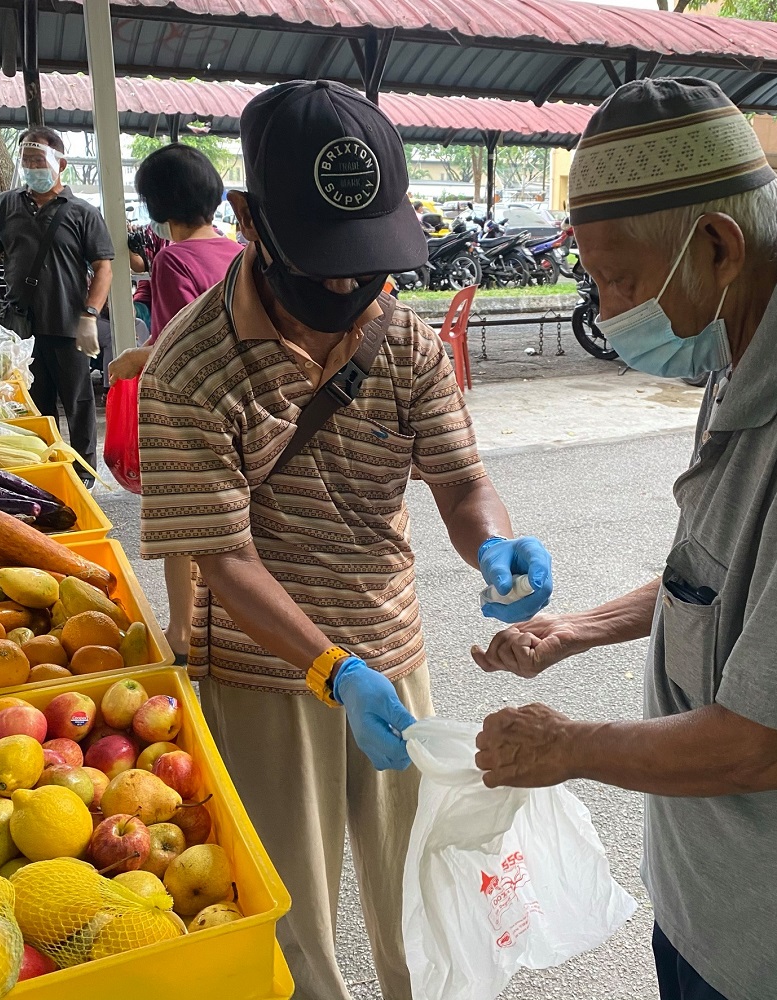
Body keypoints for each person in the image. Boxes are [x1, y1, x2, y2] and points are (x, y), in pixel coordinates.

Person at [472, 78, 777, 1000]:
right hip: (716, 898)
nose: (610, 308)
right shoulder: (754, 328)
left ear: (716, 244)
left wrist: (564, 746)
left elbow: (766, 746)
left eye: (619, 279)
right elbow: (719, 574)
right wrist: (575, 629)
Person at [137, 80, 553, 1000]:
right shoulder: (187, 370)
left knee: (417, 889)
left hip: (393, 653)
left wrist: (494, 546)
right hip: (263, 674)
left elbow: (459, 477)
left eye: (367, 264)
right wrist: (333, 671)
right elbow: (221, 558)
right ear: (248, 220)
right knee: (292, 916)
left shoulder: (401, 339)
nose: (350, 290)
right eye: (325, 265)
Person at [109, 144, 243, 664]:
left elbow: (178, 344)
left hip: (192, 412)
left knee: (179, 523)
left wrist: (132, 360)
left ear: (156, 206)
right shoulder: (237, 253)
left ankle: (182, 633)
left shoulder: (172, 261)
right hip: (242, 404)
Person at [0, 126, 114, 485]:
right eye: (26, 161)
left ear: (61, 164)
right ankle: (45, 470)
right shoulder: (5, 206)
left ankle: (84, 473)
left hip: (68, 325)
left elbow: (104, 266)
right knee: (32, 404)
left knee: (78, 403)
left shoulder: (82, 212)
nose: (31, 168)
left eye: (38, 161)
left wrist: (90, 314)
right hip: (19, 330)